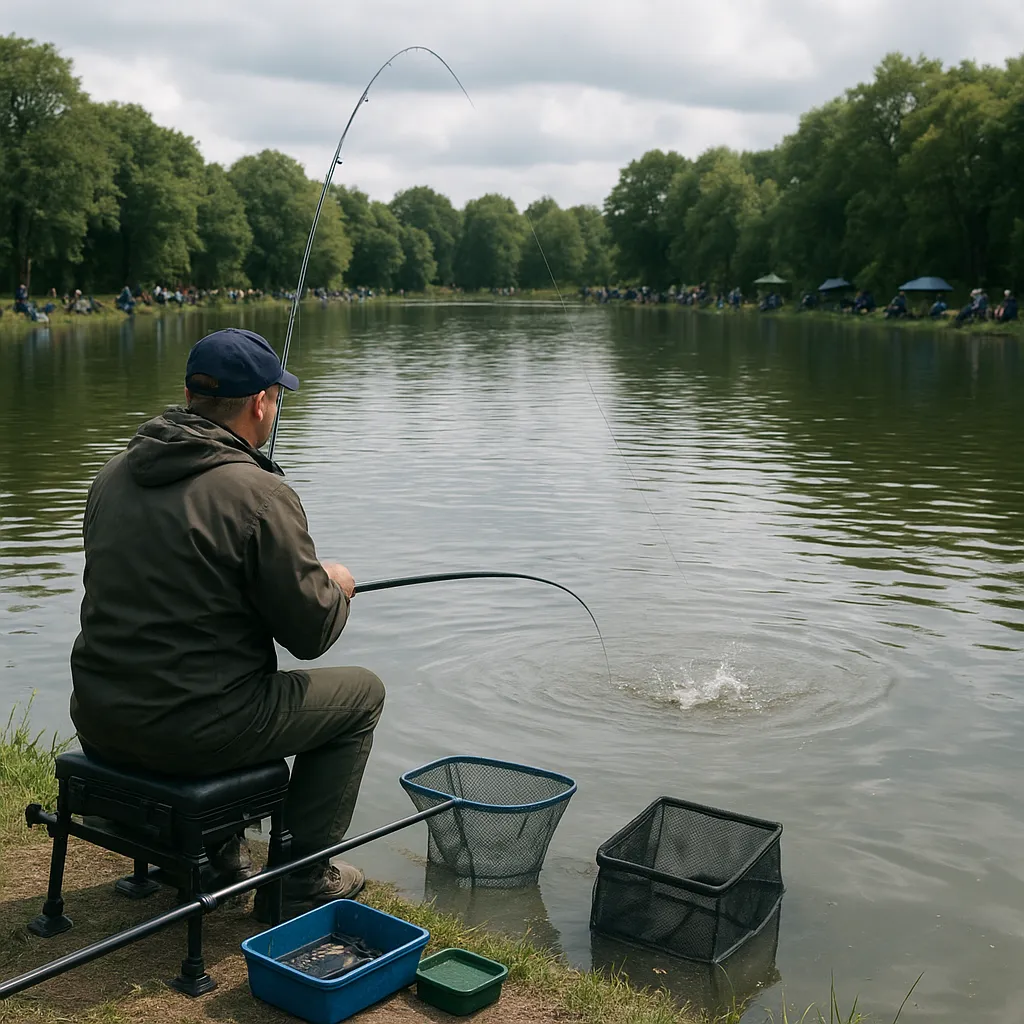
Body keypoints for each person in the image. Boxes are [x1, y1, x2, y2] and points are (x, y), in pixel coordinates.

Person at [69, 328, 384, 919]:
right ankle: (298, 879)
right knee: (362, 694)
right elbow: (310, 634)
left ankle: (216, 855)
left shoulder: (109, 476)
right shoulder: (259, 493)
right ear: (259, 403)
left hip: (100, 716)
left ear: (190, 394)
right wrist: (335, 585)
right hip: (192, 733)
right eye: (275, 396)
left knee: (212, 672)